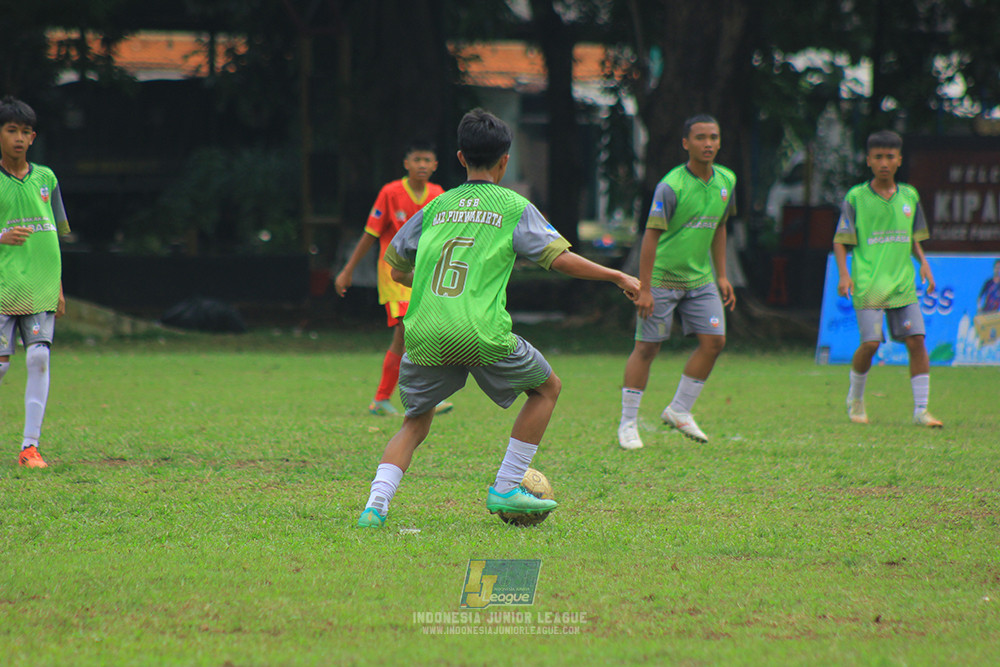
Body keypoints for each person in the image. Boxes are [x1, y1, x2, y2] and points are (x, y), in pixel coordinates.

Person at [356, 108, 640, 528]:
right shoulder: (512, 206)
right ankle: (507, 485)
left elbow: (395, 265)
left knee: (415, 423)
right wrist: (616, 274)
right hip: (479, 331)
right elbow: (558, 259)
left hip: (425, 331)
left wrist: (427, 275)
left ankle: (374, 508)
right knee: (546, 388)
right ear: (505, 161)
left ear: (459, 157)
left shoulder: (436, 206)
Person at [616, 114, 736, 450]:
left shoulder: (727, 179)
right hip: (662, 279)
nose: (708, 143)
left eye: (713, 136)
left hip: (701, 279)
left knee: (715, 341)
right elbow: (650, 237)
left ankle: (679, 410)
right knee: (647, 348)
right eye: (700, 137)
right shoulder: (671, 186)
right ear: (686, 143)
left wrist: (723, 275)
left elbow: (719, 226)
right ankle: (627, 423)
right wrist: (644, 288)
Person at [833, 129, 942, 428]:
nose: (884, 162)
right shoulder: (856, 197)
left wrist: (924, 264)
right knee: (870, 344)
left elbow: (912, 237)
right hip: (869, 283)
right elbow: (840, 240)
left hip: (902, 283)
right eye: (878, 156)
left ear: (899, 160)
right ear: (868, 160)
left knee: (917, 340)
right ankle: (855, 399)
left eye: (889, 157)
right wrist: (844, 274)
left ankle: (921, 410)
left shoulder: (909, 195)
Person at [334, 140, 452, 416]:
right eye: (417, 159)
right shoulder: (390, 192)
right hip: (394, 275)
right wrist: (348, 269)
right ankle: (422, 398)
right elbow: (371, 233)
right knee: (409, 331)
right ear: (406, 163)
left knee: (406, 338)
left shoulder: (438, 194)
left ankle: (382, 399)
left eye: (427, 160)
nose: (422, 165)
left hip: (423, 276)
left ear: (435, 166)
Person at [0, 96, 71, 468]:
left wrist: (57, 285)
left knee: (40, 358)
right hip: (2, 287)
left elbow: (54, 236)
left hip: (40, 286)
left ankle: (30, 447)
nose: (18, 138)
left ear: (33, 137)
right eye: (11, 130)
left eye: (25, 132)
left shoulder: (47, 179)